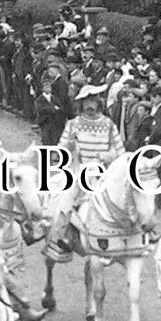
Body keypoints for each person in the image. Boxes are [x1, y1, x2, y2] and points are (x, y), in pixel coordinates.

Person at [45, 84, 126, 256]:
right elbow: (61, 148)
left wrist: (108, 155)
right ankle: (62, 237)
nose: (90, 106)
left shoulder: (109, 125)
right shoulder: (73, 124)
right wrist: (68, 149)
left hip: (103, 174)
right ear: (81, 104)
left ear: (98, 103)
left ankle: (137, 231)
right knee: (65, 199)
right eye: (86, 102)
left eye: (93, 102)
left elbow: (120, 152)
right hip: (79, 172)